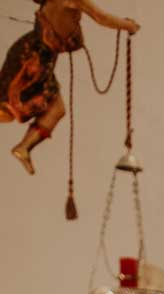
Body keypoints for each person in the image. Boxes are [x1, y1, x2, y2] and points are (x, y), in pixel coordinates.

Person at [2, 0, 137, 174]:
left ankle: (24, 147)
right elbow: (101, 17)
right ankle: (22, 143)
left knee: (55, 109)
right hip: (34, 60)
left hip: (38, 56)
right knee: (19, 103)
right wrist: (128, 25)